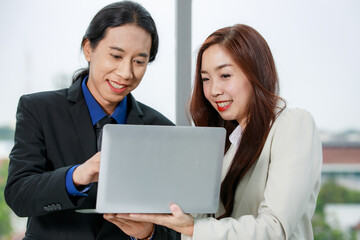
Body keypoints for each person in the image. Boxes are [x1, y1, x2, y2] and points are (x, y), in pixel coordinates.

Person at [104, 24, 323, 239]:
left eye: (225, 75)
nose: (214, 91)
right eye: (205, 79)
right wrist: (148, 232)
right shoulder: (225, 142)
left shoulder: (293, 124)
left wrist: (193, 228)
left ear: (256, 72)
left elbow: (275, 228)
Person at [4, 1, 180, 239]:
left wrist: (148, 233)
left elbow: (175, 229)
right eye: (116, 56)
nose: (126, 72)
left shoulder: (162, 129)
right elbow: (19, 196)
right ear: (89, 49)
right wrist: (77, 176)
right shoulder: (38, 109)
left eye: (139, 61)